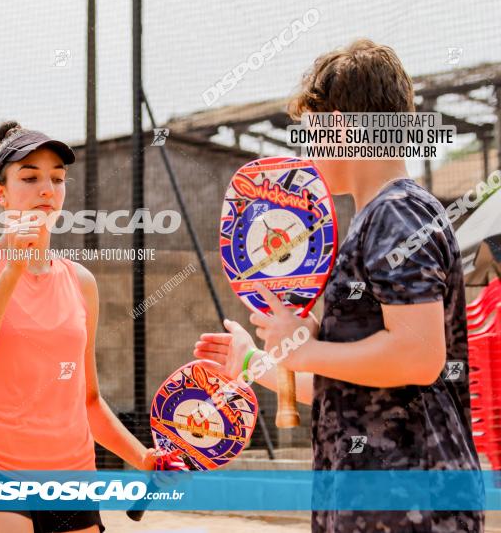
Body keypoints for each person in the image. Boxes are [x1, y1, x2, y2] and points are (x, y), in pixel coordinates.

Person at [194, 39, 484, 532]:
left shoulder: (397, 214)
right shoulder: (379, 217)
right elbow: (350, 382)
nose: (307, 150)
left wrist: (301, 352)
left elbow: (418, 356)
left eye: (311, 133)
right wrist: (255, 363)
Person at [0, 121, 159, 533]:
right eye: (30, 177)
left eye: (57, 179)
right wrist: (13, 270)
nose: (47, 189)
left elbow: (88, 401)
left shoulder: (81, 282)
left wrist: (142, 456)